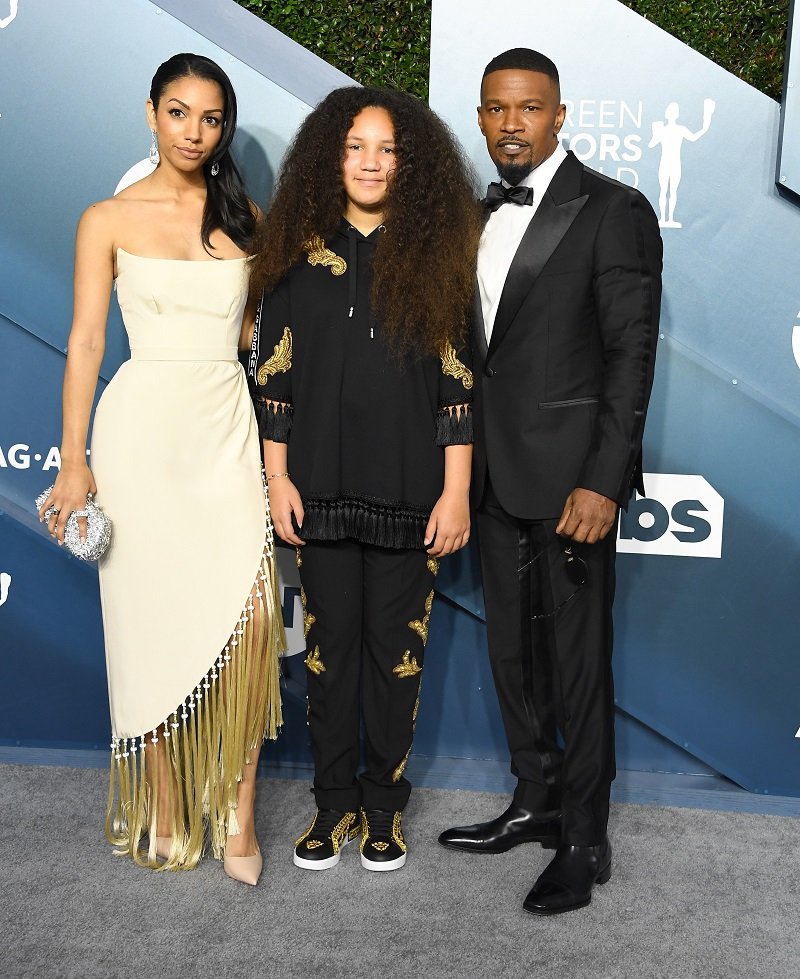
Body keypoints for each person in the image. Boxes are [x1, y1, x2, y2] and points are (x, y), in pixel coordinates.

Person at [38, 53, 284, 885]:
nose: (194, 131)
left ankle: (240, 815)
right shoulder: (104, 218)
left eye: (211, 118)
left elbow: (259, 343)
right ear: (151, 114)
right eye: (178, 113)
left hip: (224, 431)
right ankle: (169, 807)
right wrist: (76, 463)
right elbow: (85, 344)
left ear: (224, 128)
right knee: (146, 628)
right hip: (140, 434)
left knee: (251, 628)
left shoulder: (248, 216)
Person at [438, 48, 662, 915]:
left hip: (573, 482)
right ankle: (533, 799)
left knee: (576, 664)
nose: (509, 124)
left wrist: (605, 480)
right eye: (495, 109)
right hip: (490, 474)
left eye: (528, 109)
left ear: (560, 115)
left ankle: (584, 835)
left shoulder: (613, 210)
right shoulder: (473, 213)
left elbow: (629, 357)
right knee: (511, 653)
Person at [250, 86, 481, 872]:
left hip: (414, 497)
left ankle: (383, 810)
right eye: (355, 146)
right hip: (315, 492)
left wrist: (456, 492)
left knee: (397, 659)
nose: (371, 162)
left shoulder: (439, 257)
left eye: (387, 149)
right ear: (329, 155)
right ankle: (331, 807)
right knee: (327, 657)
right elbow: (273, 385)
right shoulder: (293, 255)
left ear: (409, 164)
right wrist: (276, 477)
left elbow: (458, 387)